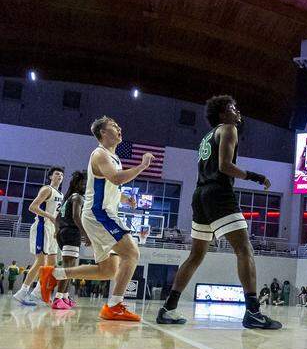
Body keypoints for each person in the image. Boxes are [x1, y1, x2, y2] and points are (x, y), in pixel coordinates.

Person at [155, 96, 281, 329]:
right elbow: (225, 166)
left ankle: (168, 308)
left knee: (196, 255)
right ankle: (253, 312)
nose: (237, 111)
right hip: (218, 194)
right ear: (222, 114)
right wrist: (256, 177)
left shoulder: (207, 137)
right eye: (233, 108)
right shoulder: (229, 128)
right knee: (244, 249)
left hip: (199, 194)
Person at [38, 117, 152, 321]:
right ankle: (114, 305)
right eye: (114, 126)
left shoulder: (113, 157)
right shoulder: (99, 154)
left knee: (108, 270)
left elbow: (112, 184)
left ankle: (56, 274)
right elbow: (116, 178)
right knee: (132, 253)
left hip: (101, 214)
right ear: (102, 133)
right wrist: (142, 166)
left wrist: (124, 198)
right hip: (100, 214)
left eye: (118, 125)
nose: (119, 128)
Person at [12, 166, 63, 307]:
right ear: (51, 176)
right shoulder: (47, 189)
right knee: (41, 261)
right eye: (57, 174)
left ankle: (37, 292)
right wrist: (50, 217)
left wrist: (57, 228)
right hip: (42, 226)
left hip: (52, 229)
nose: (60, 176)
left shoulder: (61, 194)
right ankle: (22, 292)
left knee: (52, 264)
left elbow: (57, 216)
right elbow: (33, 207)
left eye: (62, 175)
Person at [51, 171, 87, 310]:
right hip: (72, 232)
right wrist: (86, 234)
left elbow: (57, 218)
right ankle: (58, 297)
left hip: (63, 232)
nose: (85, 185)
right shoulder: (77, 197)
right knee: (69, 268)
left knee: (70, 266)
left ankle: (65, 296)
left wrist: (57, 231)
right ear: (77, 184)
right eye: (83, 182)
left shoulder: (68, 197)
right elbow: (76, 217)